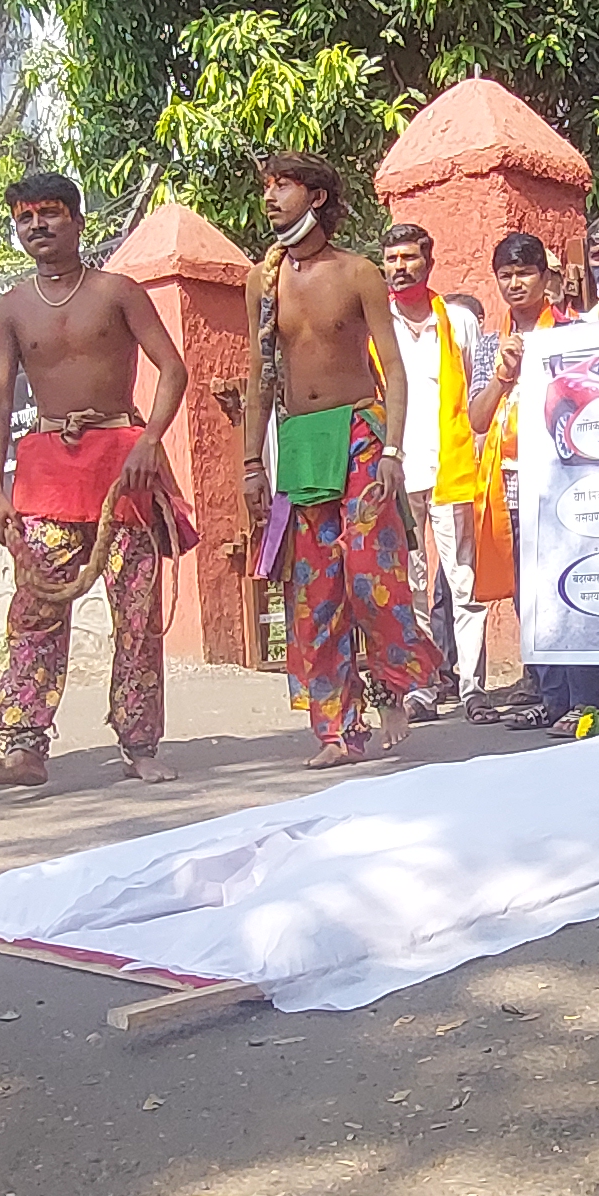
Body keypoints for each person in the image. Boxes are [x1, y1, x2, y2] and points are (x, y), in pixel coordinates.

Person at [0, 170, 193, 785]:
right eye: (24, 218)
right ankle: (23, 743)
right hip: (46, 471)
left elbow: (173, 371)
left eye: (50, 213)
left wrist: (149, 440)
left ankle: (140, 744)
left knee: (137, 613)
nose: (37, 226)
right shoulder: (10, 309)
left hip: (123, 467)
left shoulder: (118, 291)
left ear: (77, 219)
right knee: (36, 609)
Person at [243, 151, 441, 766]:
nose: (270, 197)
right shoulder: (261, 280)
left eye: (283, 186)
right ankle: (337, 731)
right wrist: (251, 463)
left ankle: (393, 690)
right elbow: (258, 378)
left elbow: (395, 368)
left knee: (368, 575)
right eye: (267, 187)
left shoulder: (358, 272)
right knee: (316, 590)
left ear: (318, 198)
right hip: (301, 445)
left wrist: (392, 450)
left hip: (360, 433)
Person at [377, 222, 495, 713]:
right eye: (392, 259)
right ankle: (422, 686)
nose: (400, 268)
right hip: (396, 470)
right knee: (409, 581)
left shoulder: (459, 322)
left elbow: (472, 394)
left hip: (450, 467)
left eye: (409, 258)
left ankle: (473, 687)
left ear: (429, 262)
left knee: (463, 580)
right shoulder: (375, 323)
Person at [479, 230, 570, 729]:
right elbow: (476, 417)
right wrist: (502, 377)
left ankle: (573, 696)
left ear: (544, 278)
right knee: (525, 594)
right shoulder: (491, 343)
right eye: (506, 275)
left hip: (559, 480)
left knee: (561, 586)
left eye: (524, 273)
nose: (515, 284)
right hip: (510, 482)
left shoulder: (570, 332)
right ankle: (546, 693)